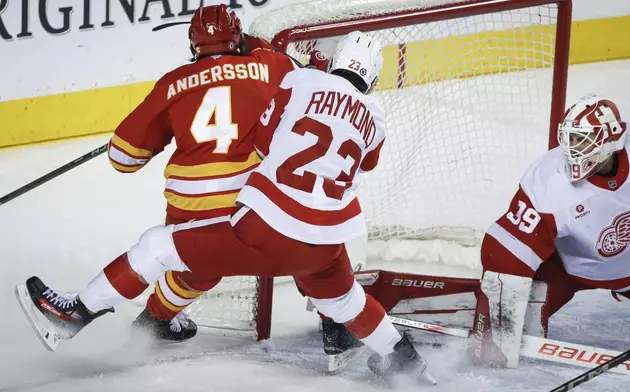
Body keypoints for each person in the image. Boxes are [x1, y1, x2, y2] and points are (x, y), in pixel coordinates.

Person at [16, 29, 437, 384]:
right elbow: (364, 162)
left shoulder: (300, 82)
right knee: (348, 302)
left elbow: (263, 141)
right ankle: (406, 362)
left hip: (263, 231)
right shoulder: (376, 117)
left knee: (158, 246)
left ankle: (76, 313)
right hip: (324, 246)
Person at [469, 94, 630, 367]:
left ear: (610, 142)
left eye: (582, 140)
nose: (572, 150)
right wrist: (495, 317)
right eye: (570, 140)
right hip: (567, 269)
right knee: (505, 341)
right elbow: (505, 250)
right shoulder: (550, 180)